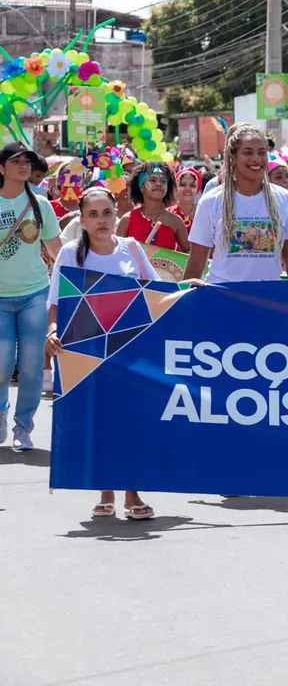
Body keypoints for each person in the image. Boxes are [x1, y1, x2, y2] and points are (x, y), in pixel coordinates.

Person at [45, 188, 157, 519]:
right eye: (92, 215)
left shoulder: (132, 250)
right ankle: (105, 490)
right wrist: (52, 333)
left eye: (106, 213)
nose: (101, 221)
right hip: (86, 353)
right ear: (81, 220)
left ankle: (132, 493)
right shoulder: (69, 254)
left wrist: (190, 288)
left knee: (130, 422)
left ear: (116, 214)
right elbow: (55, 305)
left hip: (130, 351)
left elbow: (157, 294)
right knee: (99, 421)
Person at [183, 123, 288, 283]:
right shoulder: (211, 201)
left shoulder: (283, 199)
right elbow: (197, 262)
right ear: (233, 158)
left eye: (262, 153)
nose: (256, 158)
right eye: (248, 152)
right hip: (222, 297)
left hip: (268, 299)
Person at [0, 142, 62, 451]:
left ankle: (23, 426)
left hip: (35, 295)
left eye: (28, 161)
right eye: (16, 161)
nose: (24, 165)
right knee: (0, 363)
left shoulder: (41, 205)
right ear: (2, 168)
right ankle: (0, 412)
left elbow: (57, 252)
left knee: (31, 364)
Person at [118, 161, 190, 253]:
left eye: (163, 181)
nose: (158, 184)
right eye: (152, 180)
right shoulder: (127, 220)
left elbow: (188, 253)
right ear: (141, 187)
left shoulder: (176, 221)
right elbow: (117, 254)